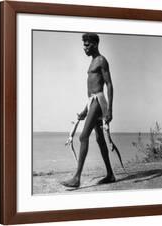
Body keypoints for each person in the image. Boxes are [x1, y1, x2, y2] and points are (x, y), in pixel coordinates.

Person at [62, 33, 115, 188]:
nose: (84, 48)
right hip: (92, 101)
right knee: (100, 139)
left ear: (95, 44)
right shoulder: (93, 62)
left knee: (83, 137)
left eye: (87, 44)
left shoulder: (101, 60)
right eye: (83, 44)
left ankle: (77, 178)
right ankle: (110, 174)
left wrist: (109, 109)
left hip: (99, 102)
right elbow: (92, 92)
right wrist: (85, 110)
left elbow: (109, 85)